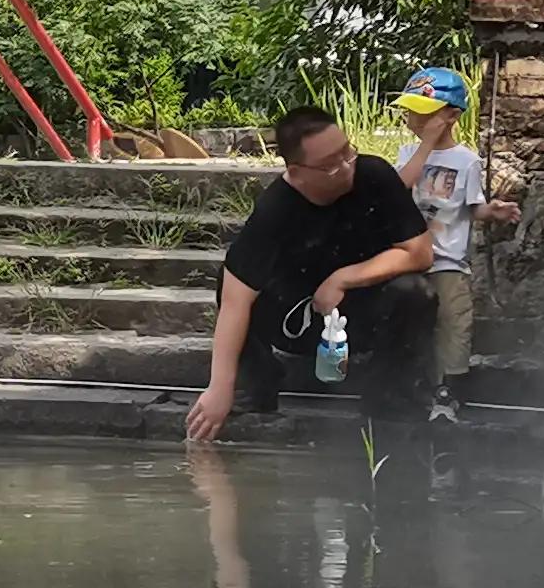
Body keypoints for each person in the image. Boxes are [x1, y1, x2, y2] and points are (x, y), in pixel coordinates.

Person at [186, 105, 439, 442]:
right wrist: (220, 387)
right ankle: (256, 383)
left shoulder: (374, 176)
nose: (346, 167)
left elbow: (419, 253)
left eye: (347, 152)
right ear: (297, 171)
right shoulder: (275, 209)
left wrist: (344, 278)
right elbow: (234, 301)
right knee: (232, 277)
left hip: (357, 312)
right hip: (295, 319)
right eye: (330, 164)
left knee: (416, 293)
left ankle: (390, 401)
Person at [389, 68, 518, 420]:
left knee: (454, 322)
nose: (413, 118)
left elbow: (470, 205)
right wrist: (426, 145)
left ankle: (449, 389)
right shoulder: (407, 153)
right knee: (411, 323)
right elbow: (396, 190)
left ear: (451, 116)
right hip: (409, 259)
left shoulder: (467, 161)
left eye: (423, 111)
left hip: (448, 260)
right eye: (411, 110)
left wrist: (491, 210)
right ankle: (411, 383)